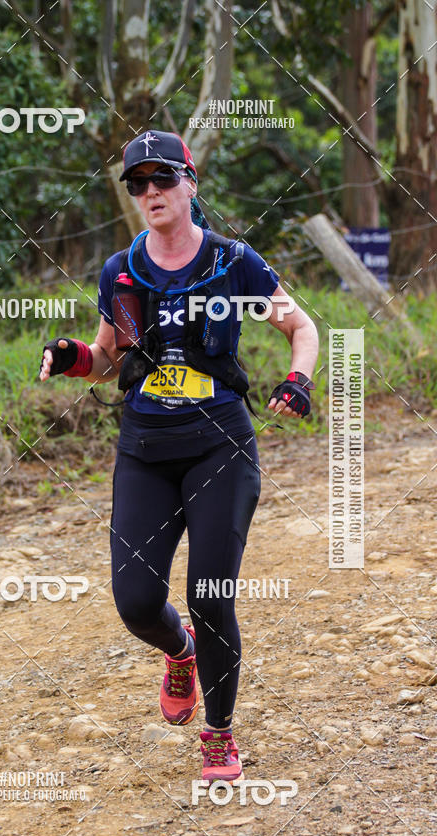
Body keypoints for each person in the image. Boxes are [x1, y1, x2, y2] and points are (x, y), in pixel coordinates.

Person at [40, 130, 318, 784]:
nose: (150, 192)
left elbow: (299, 327)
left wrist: (297, 381)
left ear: (191, 182)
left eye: (162, 177)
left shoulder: (233, 261)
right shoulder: (121, 270)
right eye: (137, 183)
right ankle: (179, 652)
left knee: (209, 595)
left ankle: (218, 735)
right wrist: (73, 355)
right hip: (144, 448)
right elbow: (111, 359)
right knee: (137, 601)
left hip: (220, 444)